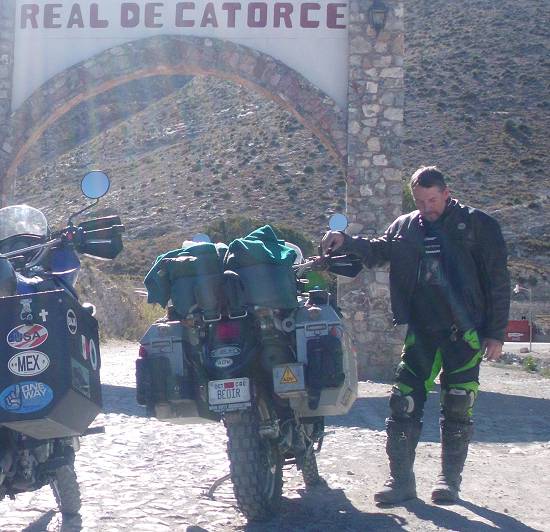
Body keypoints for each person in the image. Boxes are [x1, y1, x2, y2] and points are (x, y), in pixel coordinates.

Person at [321, 166, 510, 504]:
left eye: (433, 199)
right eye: (421, 201)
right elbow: (380, 250)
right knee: (403, 403)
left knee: (457, 405)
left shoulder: (478, 226)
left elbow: (498, 281)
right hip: (421, 332)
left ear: (446, 192)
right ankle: (401, 483)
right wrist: (346, 241)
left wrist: (495, 333)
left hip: (463, 334)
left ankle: (449, 483)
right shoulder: (405, 227)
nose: (427, 207)